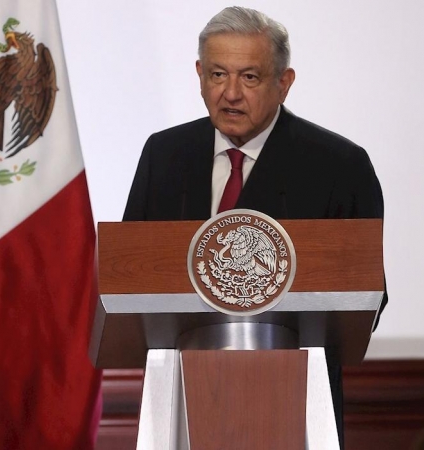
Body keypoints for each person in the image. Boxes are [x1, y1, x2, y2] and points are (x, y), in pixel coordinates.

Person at [122, 6, 387, 448]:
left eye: (249, 77)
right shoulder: (164, 155)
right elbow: (128, 281)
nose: (230, 94)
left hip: (292, 404)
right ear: (198, 74)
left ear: (284, 83)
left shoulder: (339, 165)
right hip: (181, 399)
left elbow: (368, 296)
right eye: (217, 74)